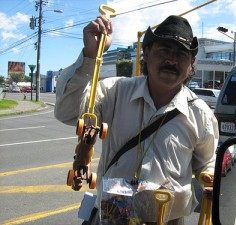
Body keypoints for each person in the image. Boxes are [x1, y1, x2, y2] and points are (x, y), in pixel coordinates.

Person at [55, 13, 219, 225]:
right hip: (111, 218)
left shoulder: (201, 114)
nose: (171, 59)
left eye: (181, 54)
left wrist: (208, 173)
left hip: (167, 220)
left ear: (191, 63)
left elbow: (207, 159)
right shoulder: (114, 92)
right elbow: (67, 113)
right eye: (164, 50)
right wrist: (90, 56)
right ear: (147, 53)